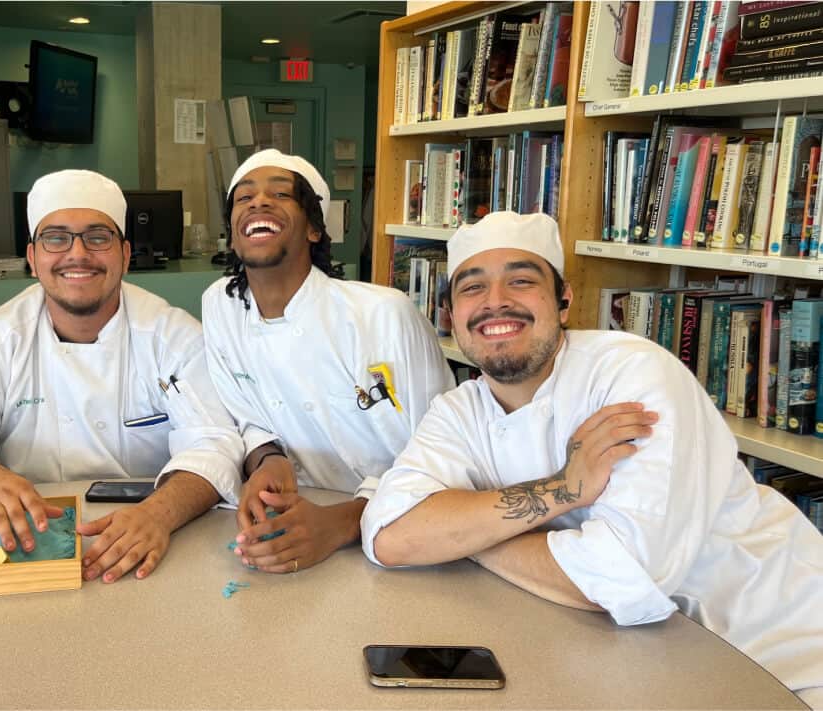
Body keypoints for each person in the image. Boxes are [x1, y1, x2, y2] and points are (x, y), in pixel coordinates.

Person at [362, 211, 823, 706]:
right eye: (472, 288)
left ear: (563, 302)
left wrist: (461, 534)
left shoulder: (632, 375)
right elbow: (389, 535)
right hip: (644, 660)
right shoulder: (459, 409)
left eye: (521, 280)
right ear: (451, 316)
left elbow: (619, 577)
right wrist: (563, 489)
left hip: (779, 656)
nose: (496, 302)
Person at [0, 169, 243, 584]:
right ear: (32, 258)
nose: (77, 254)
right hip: (31, 546)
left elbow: (216, 442)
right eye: (56, 238)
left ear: (125, 254)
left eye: (97, 237)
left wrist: (159, 513)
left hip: (156, 543)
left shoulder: (174, 337)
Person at [201, 149, 454, 574]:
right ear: (232, 233)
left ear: (315, 229)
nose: (258, 202)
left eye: (280, 193)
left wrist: (342, 522)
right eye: (243, 198)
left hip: (407, 536)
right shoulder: (221, 306)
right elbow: (245, 415)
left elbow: (445, 452)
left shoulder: (381, 314)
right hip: (293, 522)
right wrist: (268, 459)